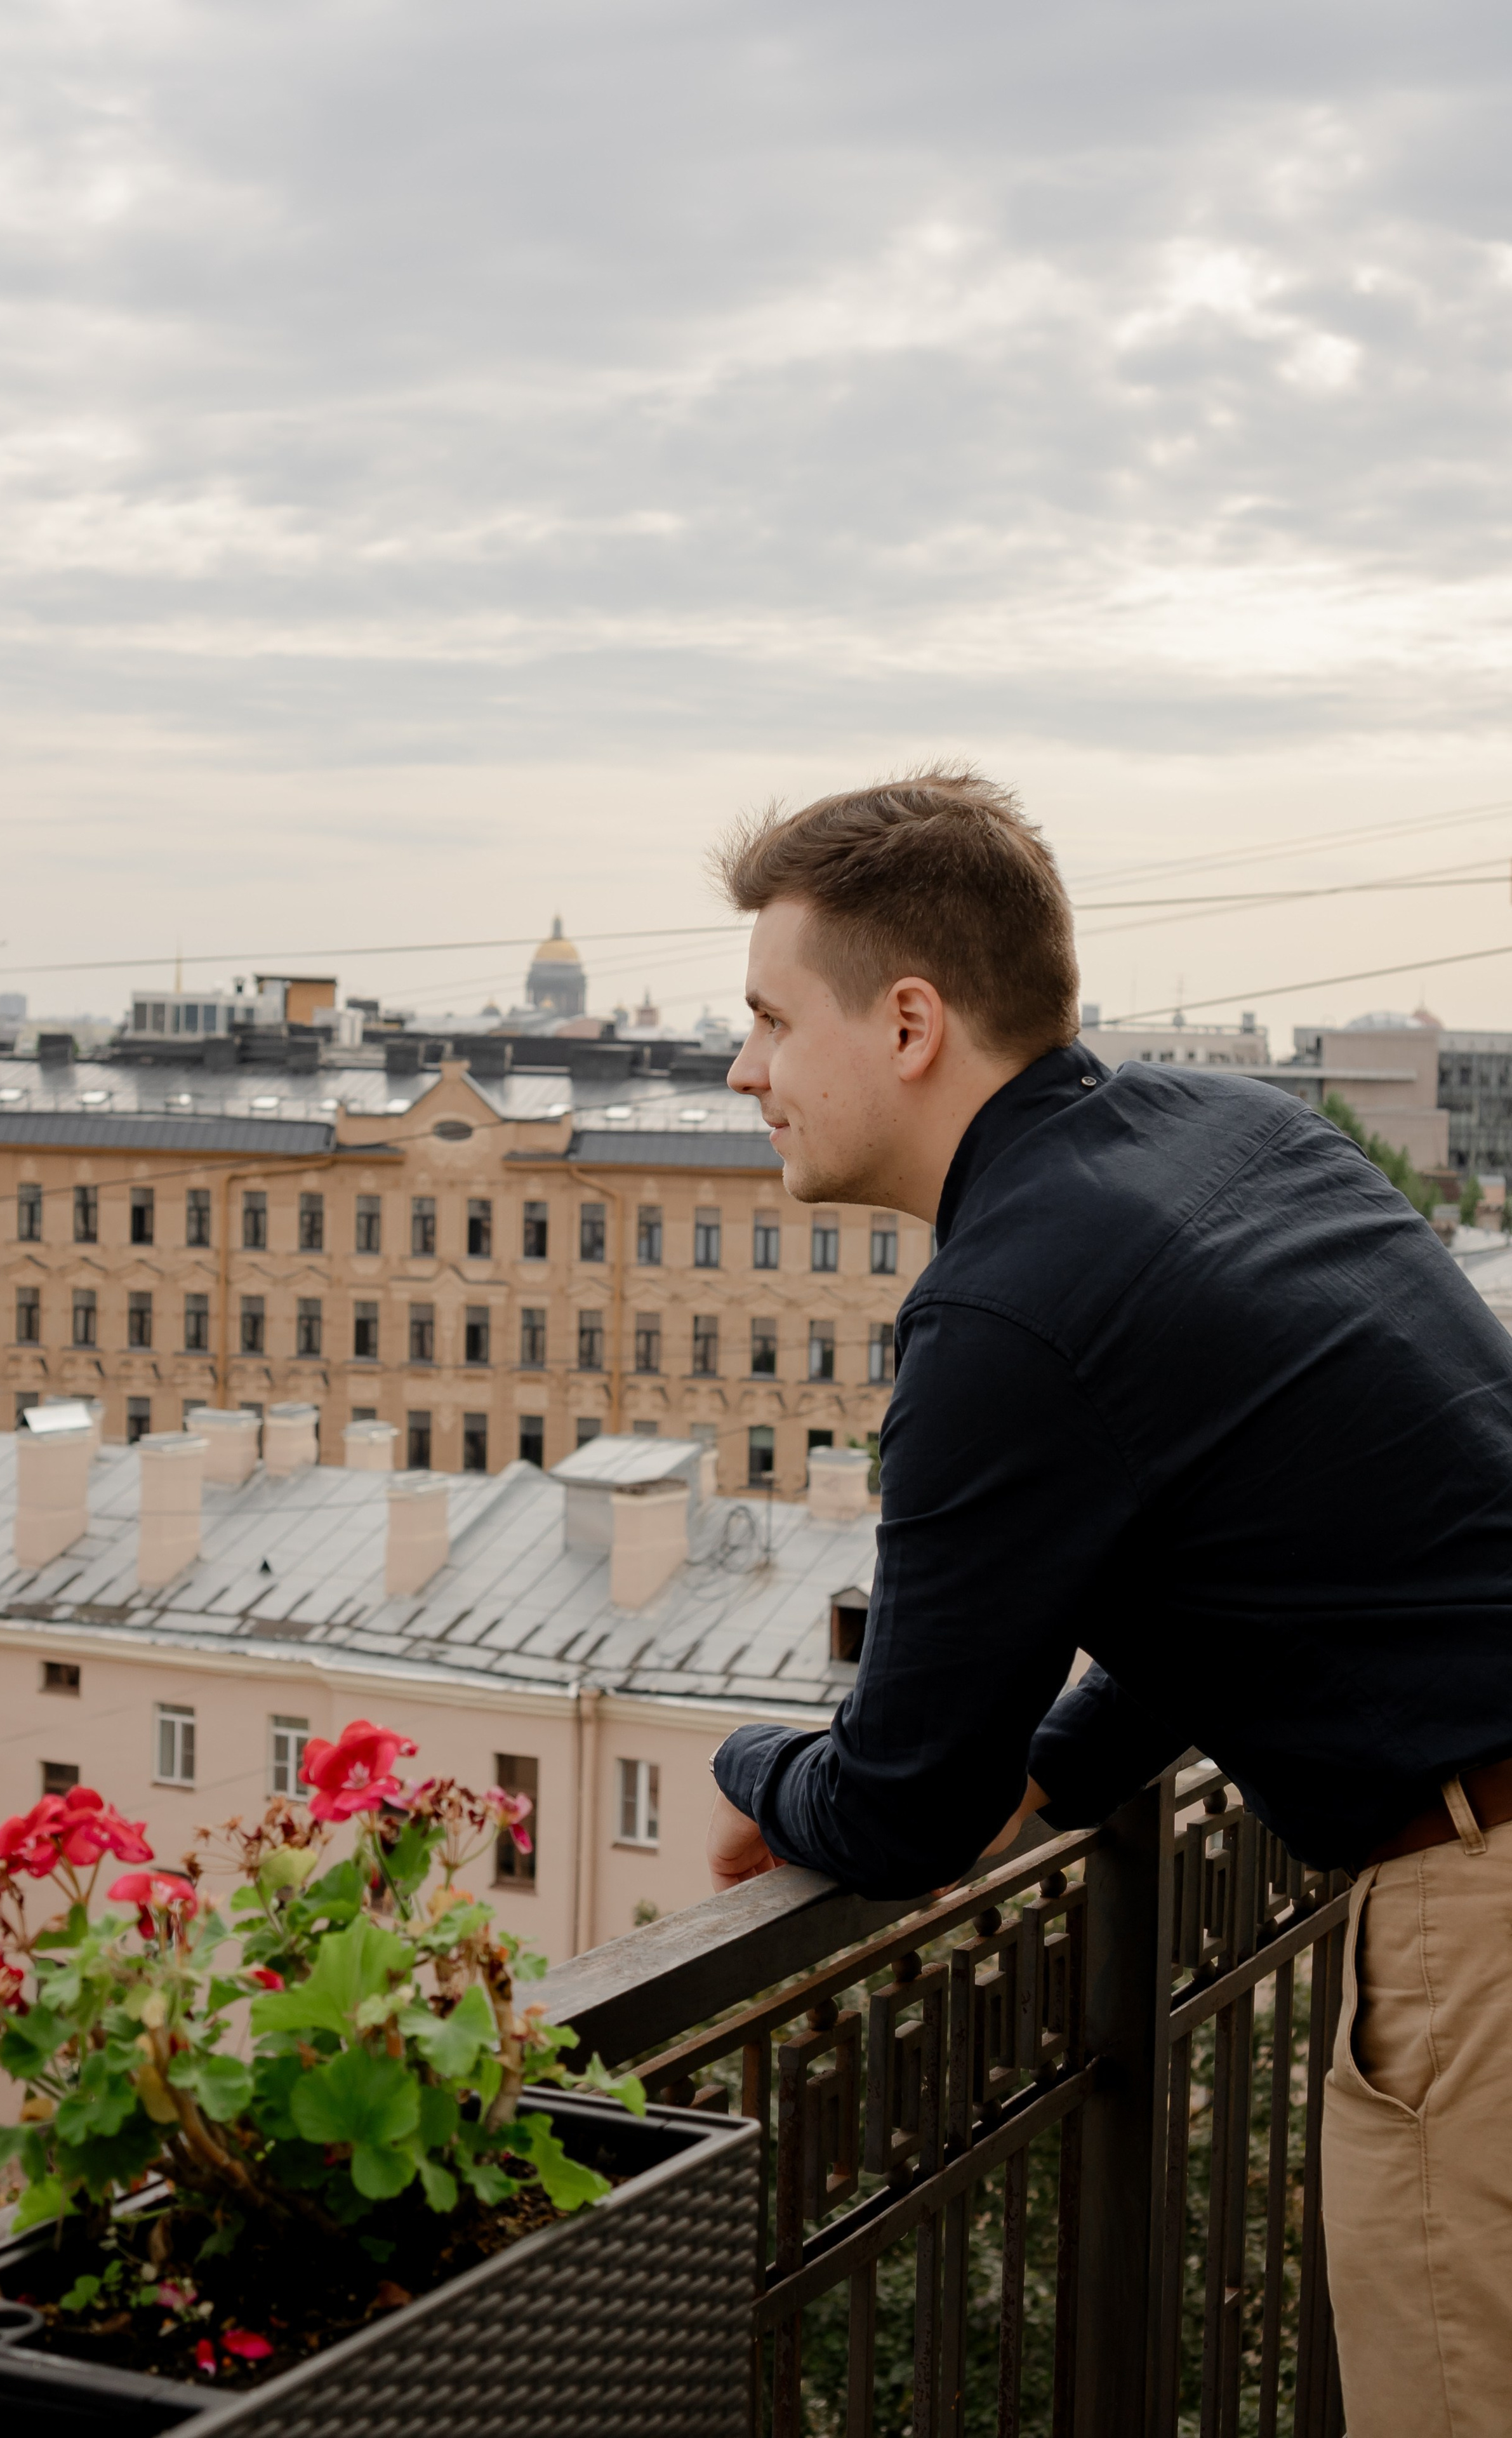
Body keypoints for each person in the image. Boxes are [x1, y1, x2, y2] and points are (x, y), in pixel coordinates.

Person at [703, 768, 1512, 2438]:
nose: (746, 1071)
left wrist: (742, 1766)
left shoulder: (1002, 1312)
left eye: (773, 1021)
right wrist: (1069, 1767)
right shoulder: (1236, 1137)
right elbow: (1256, 1531)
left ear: (910, 1021)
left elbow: (905, 1806)